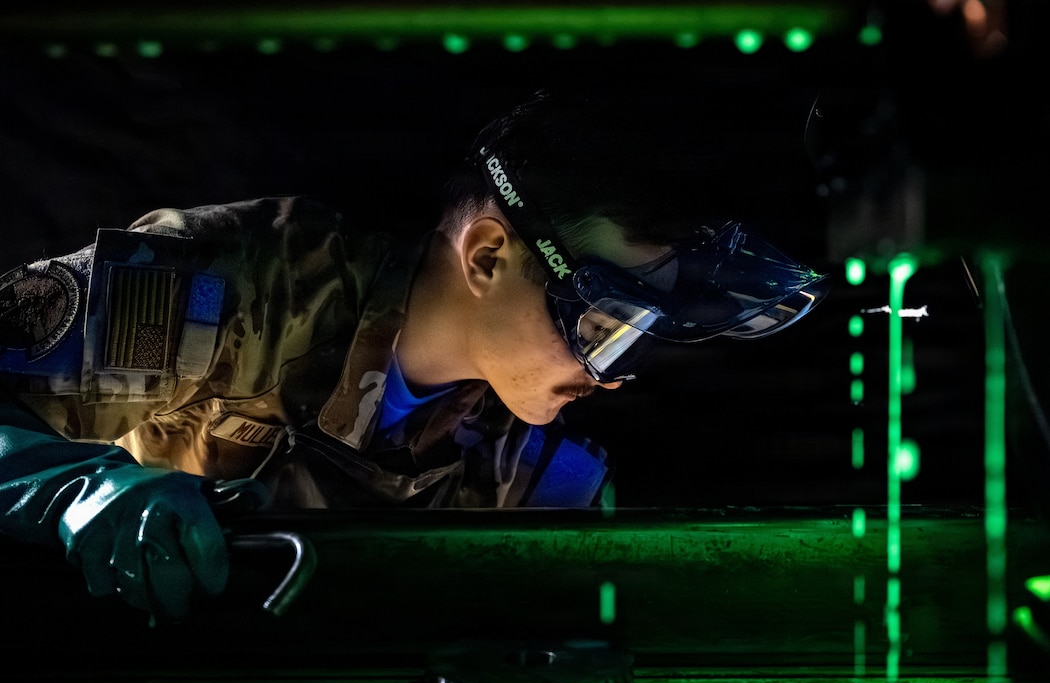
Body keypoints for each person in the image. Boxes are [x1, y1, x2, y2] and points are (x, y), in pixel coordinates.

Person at [0, 89, 829, 624]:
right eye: (604, 325)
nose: (611, 376)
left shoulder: (534, 471)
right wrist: (77, 487)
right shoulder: (243, 281)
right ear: (487, 256)